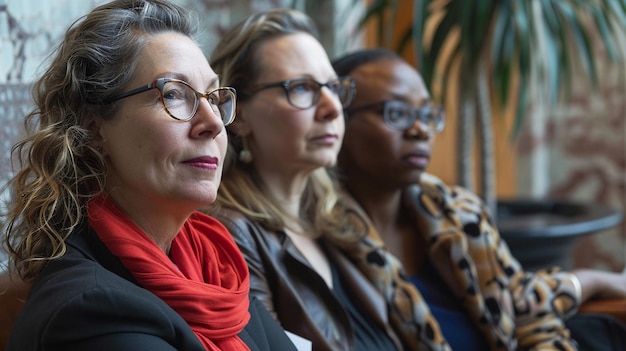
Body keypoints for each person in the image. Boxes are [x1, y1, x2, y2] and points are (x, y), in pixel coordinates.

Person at [0, 1, 297, 350]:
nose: (214, 123)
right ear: (94, 128)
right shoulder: (92, 312)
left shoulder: (216, 267)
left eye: (214, 98)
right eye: (174, 94)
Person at [331, 47, 626, 350]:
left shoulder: (458, 215)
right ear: (335, 119)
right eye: (397, 112)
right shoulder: (322, 244)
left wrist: (595, 280)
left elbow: (522, 305)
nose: (420, 130)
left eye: (427, 114)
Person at [207, 8, 404, 351]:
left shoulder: (335, 214)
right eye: (301, 88)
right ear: (237, 115)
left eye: (332, 87)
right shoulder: (228, 235)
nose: (331, 108)